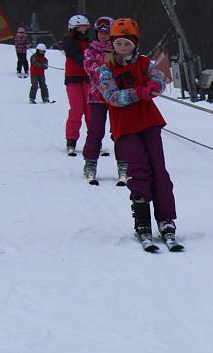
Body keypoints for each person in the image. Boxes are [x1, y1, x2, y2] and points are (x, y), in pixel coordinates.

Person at [97, 18, 179, 243]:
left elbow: (160, 79)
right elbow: (111, 96)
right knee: (139, 170)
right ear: (113, 44)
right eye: (119, 43)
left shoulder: (144, 63)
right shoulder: (106, 69)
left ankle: (166, 218)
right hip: (125, 126)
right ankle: (142, 218)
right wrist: (138, 93)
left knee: (158, 169)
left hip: (149, 121)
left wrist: (155, 86)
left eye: (127, 44)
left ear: (135, 44)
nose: (123, 48)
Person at [82, 16, 126, 186]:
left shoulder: (119, 49)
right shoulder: (90, 50)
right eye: (100, 32)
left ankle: (124, 165)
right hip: (97, 97)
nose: (103, 35)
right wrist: (106, 69)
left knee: (119, 131)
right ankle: (90, 164)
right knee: (95, 131)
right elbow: (90, 69)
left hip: (116, 96)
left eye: (107, 32)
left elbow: (124, 68)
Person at [62, 14, 91, 156]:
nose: (83, 31)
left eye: (85, 28)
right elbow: (76, 56)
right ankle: (71, 141)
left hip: (87, 79)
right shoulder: (68, 41)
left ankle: (93, 142)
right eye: (81, 28)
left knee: (91, 110)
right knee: (77, 109)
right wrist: (89, 61)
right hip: (73, 79)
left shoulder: (90, 42)